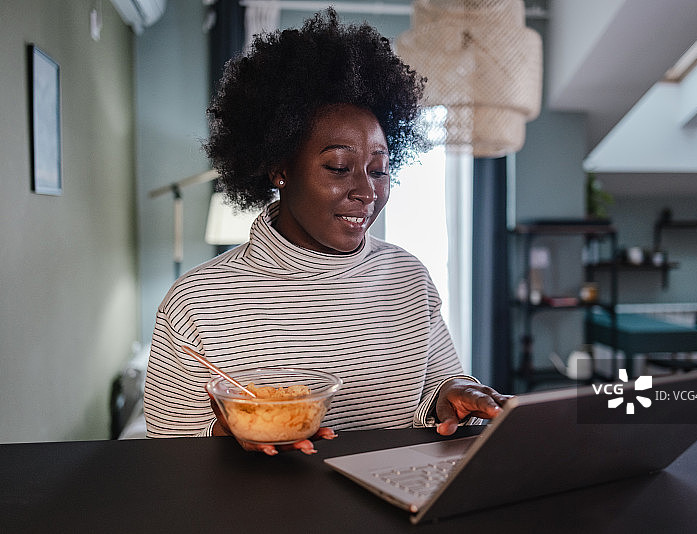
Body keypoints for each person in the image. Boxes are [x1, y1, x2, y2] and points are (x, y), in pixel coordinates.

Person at [143, 8, 508, 455]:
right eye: (338, 167)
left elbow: (436, 387)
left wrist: (454, 395)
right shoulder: (198, 303)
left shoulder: (409, 279)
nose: (365, 191)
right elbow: (165, 447)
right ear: (279, 167)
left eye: (379, 170)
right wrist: (233, 431)